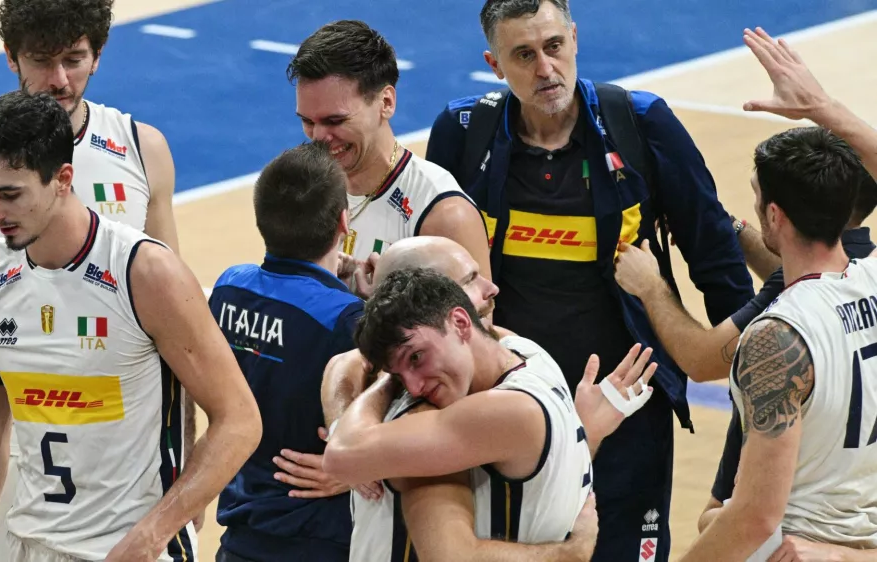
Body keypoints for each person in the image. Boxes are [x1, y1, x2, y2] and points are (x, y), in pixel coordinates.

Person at [424, 1, 755, 559]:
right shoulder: (463, 132)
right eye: (523, 55)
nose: (545, 68)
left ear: (575, 38)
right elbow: (435, 281)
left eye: (554, 46)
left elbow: (717, 260)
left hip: (628, 407)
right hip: (512, 412)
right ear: (494, 64)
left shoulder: (642, 124)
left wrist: (750, 383)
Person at [0, 0, 184, 558]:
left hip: (127, 461)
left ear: (98, 54)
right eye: (40, 60)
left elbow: (181, 334)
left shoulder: (141, 148)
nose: (59, 79)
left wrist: (185, 477)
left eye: (74, 59)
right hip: (12, 444)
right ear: (9, 56)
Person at [0, 90, 261, 562]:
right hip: (31, 548)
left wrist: (154, 534)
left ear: (63, 178)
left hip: (128, 551)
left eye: (10, 193)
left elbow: (240, 420)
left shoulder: (145, 273)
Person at [679, 28, 877, 561]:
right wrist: (821, 106)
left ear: (773, 216)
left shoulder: (778, 335)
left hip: (797, 546)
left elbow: (753, 519)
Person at [323, 266, 658, 561]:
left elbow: (340, 456)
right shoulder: (528, 352)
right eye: (399, 375)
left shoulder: (486, 414)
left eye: (416, 358)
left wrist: (383, 384)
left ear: (459, 321)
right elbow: (341, 366)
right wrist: (587, 432)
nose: (413, 387)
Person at [208, 141, 363, 562]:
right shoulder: (347, 319)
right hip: (320, 536)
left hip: (241, 530)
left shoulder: (227, 288)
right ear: (343, 223)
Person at [287, 20, 491, 296]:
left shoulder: (443, 217)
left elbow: (474, 333)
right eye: (308, 122)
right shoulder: (305, 192)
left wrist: (378, 313)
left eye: (335, 120)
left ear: (386, 103)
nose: (319, 137)